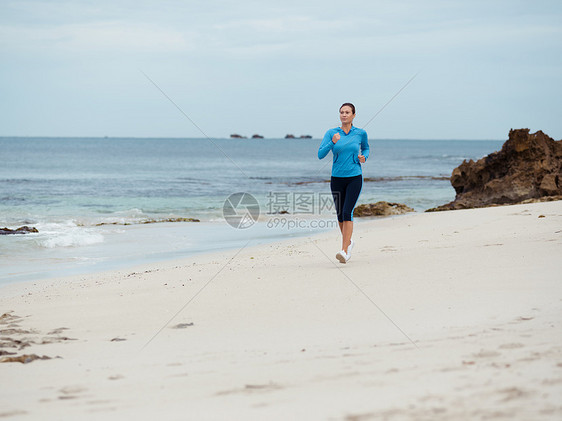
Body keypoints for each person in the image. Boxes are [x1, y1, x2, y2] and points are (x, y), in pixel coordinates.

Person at [318, 103, 370, 263]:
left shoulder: (360, 133)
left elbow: (366, 149)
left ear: (354, 115)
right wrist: (332, 142)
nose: (344, 115)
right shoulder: (332, 133)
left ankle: (345, 251)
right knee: (340, 215)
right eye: (341, 112)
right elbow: (320, 154)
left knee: (348, 212)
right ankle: (349, 242)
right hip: (337, 178)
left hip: (354, 176)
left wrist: (364, 157)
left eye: (347, 112)